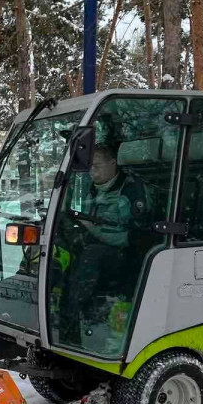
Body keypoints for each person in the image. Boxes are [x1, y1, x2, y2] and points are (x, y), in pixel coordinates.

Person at [57, 143, 150, 346]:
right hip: (93, 246)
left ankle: (73, 317)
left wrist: (90, 228)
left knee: (92, 253)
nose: (92, 171)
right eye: (90, 166)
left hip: (124, 257)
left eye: (97, 166)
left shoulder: (131, 192)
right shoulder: (92, 186)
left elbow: (133, 238)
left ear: (113, 164)